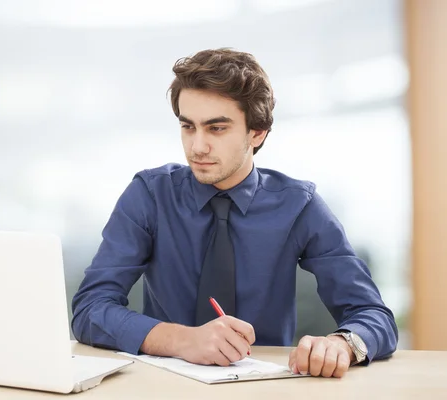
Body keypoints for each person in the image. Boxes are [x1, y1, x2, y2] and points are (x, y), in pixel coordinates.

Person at [71, 48, 398, 378]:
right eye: (188, 126)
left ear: (257, 133)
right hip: (162, 384)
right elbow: (90, 309)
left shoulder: (300, 206)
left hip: (268, 387)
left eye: (216, 128)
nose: (197, 147)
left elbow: (373, 315)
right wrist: (183, 340)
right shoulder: (149, 195)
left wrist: (341, 345)